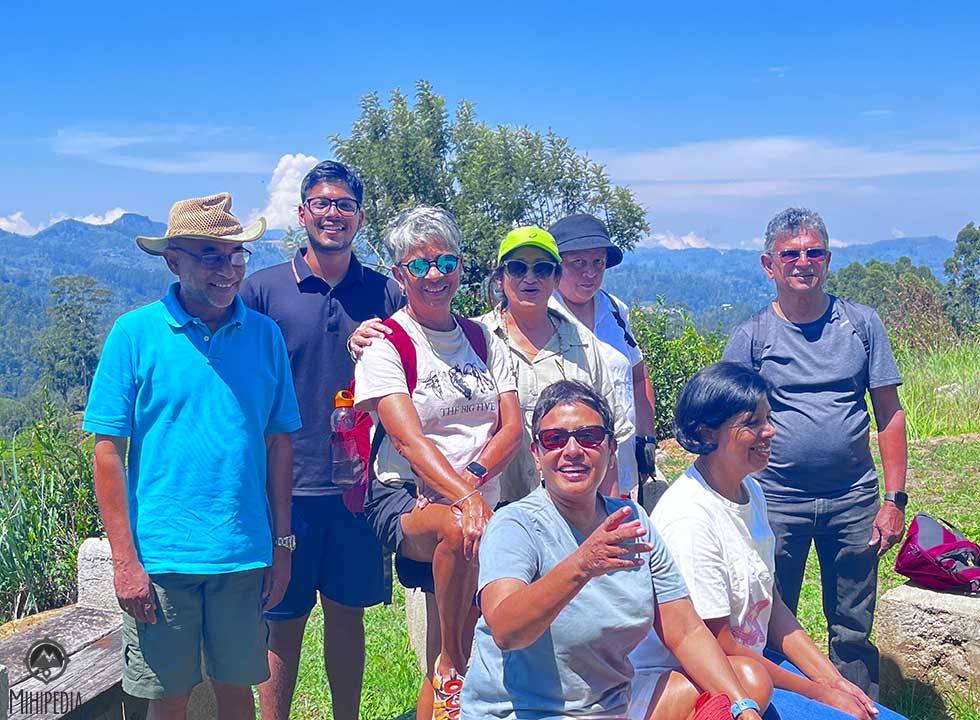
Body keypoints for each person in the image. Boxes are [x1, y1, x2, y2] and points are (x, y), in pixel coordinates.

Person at [84, 193, 301, 720]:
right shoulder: (134, 334)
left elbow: (279, 443)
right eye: (210, 256)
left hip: (243, 553)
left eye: (235, 254)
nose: (227, 269)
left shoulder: (265, 336)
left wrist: (282, 544)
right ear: (172, 261)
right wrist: (125, 561)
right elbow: (108, 451)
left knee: (238, 691)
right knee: (167, 697)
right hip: (162, 558)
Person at [461, 379, 772, 720]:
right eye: (554, 439)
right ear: (536, 455)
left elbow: (685, 631)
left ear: (610, 450)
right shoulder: (514, 525)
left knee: (745, 682)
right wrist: (581, 565)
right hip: (524, 711)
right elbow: (506, 631)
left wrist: (742, 708)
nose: (572, 450)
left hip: (611, 706)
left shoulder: (632, 519)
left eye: (589, 437)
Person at [631, 362, 907, 719]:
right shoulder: (689, 519)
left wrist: (833, 680)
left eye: (768, 418)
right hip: (701, 681)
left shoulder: (750, 490)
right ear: (707, 433)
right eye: (752, 423)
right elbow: (717, 644)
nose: (770, 431)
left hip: (753, 665)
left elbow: (772, 604)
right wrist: (818, 693)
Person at [722, 208, 908, 698]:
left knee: (852, 626)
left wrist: (894, 500)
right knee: (765, 619)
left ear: (827, 259)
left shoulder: (862, 325)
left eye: (813, 252)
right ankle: (780, 703)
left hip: (853, 498)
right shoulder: (752, 337)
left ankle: (858, 706)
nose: (803, 262)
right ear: (769, 265)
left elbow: (889, 413)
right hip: (774, 500)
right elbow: (729, 422)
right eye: (790, 254)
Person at [240, 160, 401, 720]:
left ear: (360, 216)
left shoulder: (384, 292)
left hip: (359, 486)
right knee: (280, 623)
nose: (334, 213)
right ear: (303, 212)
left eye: (345, 205)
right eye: (323, 203)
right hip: (284, 488)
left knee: (347, 616)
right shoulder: (262, 290)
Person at [353, 206, 523, 720]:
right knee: (456, 539)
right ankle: (454, 658)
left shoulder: (484, 339)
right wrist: (463, 499)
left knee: (472, 619)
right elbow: (407, 440)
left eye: (446, 262)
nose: (435, 275)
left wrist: (470, 484)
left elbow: (511, 428)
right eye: (419, 264)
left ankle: (449, 667)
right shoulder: (387, 344)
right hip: (408, 496)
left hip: (479, 499)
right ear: (399, 273)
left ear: (461, 267)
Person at [475, 226, 634, 502]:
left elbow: (608, 438)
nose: (530, 278)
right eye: (518, 268)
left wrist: (607, 512)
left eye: (542, 269)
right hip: (491, 506)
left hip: (571, 508)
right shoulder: (476, 340)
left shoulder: (583, 344)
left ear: (556, 277)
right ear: (500, 278)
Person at [549, 212, 659, 499]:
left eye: (598, 262)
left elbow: (638, 377)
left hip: (623, 463)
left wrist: (646, 441)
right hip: (568, 468)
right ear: (557, 266)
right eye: (578, 263)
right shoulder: (542, 316)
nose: (590, 272)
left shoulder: (615, 310)